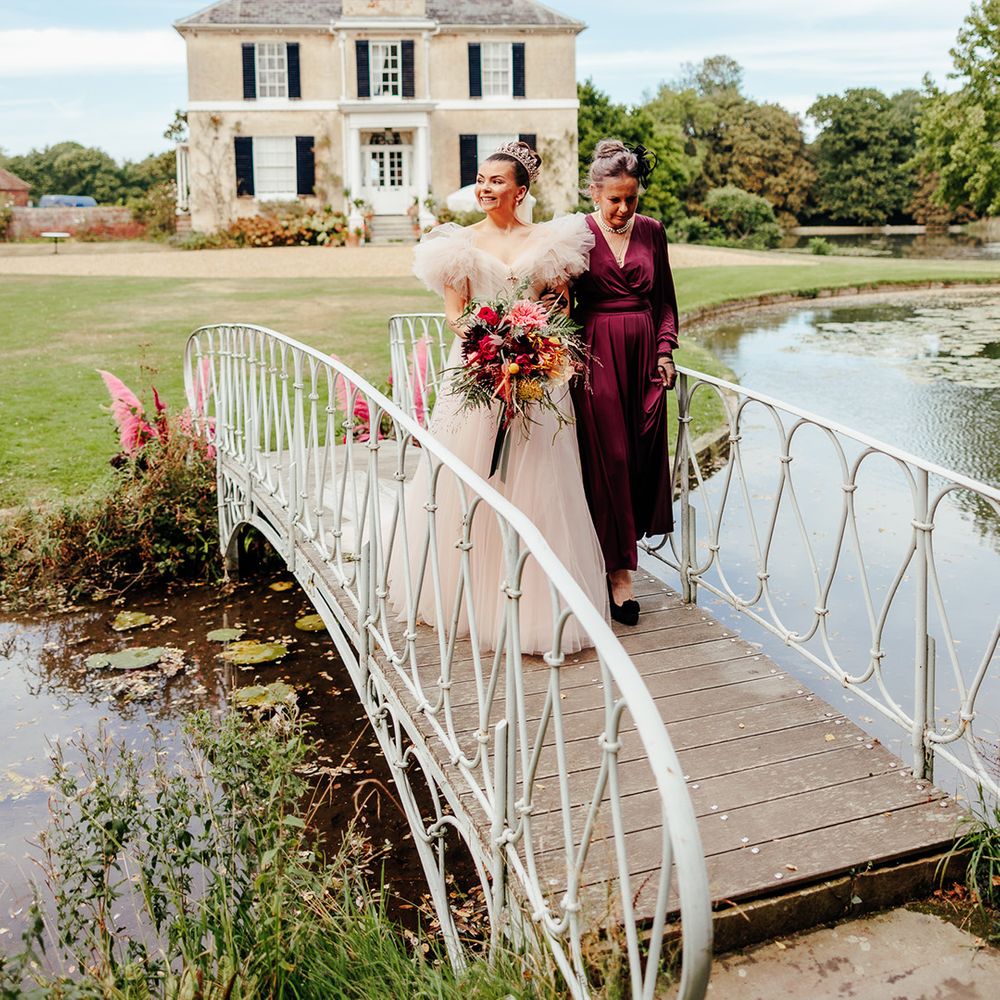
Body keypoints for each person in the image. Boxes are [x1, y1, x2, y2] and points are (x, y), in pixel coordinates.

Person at [389, 141, 607, 654]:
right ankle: (462, 595)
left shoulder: (549, 241)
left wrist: (535, 339)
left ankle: (534, 602)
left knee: (537, 481)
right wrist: (492, 342)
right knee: (467, 479)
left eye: (496, 181)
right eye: (480, 179)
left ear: (521, 190)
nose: (484, 188)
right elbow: (455, 314)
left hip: (534, 375)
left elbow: (558, 304)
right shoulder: (457, 245)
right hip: (477, 370)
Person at [571, 139, 679, 627]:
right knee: (608, 459)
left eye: (630, 199)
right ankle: (619, 576)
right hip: (595, 355)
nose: (622, 208)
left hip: (643, 360)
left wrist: (664, 350)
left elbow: (666, 302)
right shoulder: (575, 235)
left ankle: (613, 552)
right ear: (594, 192)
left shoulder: (653, 233)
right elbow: (557, 302)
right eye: (613, 198)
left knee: (636, 460)